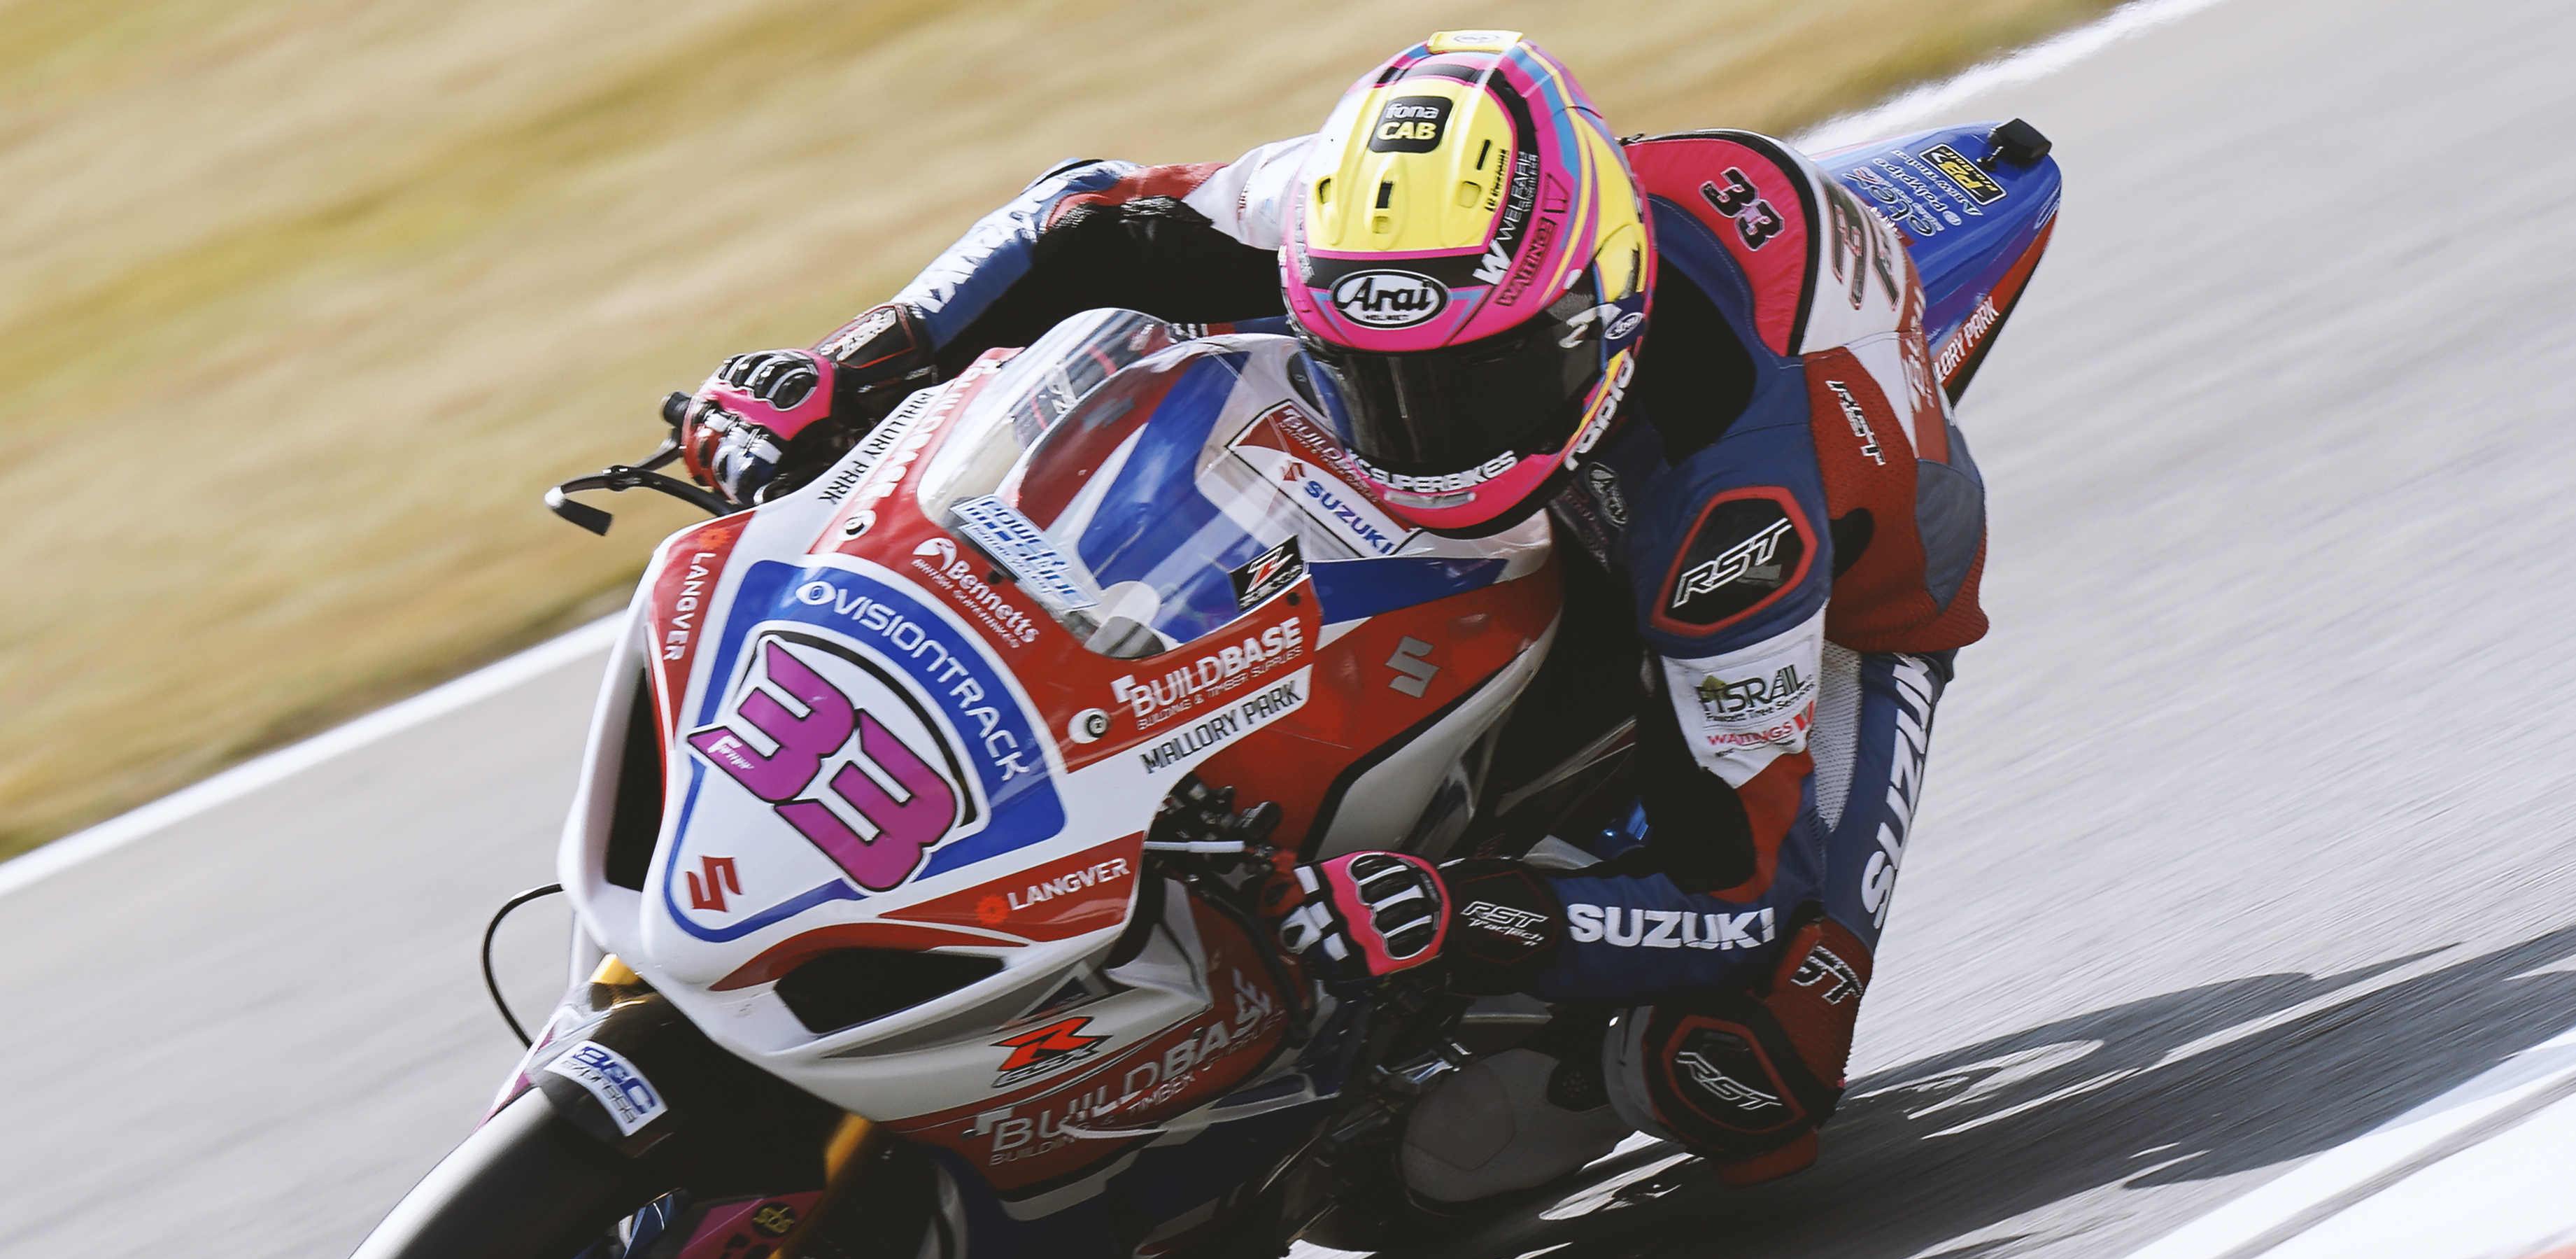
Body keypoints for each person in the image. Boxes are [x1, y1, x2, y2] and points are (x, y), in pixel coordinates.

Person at [674, 30, 1988, 1200]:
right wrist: (853, 360)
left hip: (1841, 592)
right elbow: (1079, 216)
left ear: (1596, 316)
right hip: (1566, 444)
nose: (1423, 433)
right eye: (1376, 380)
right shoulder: (1356, 220)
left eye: (1476, 384)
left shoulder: (1734, 511)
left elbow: (1739, 892)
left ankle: (1569, 1063)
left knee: (1750, 1071)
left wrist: (1461, 914)